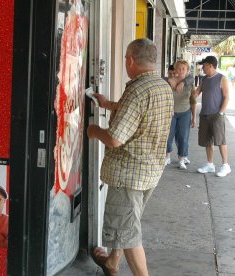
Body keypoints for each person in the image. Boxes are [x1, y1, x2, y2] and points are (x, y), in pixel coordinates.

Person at [87, 38, 173, 276]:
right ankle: (112, 263)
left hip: (129, 175)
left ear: (130, 60)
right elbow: (137, 112)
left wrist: (94, 131)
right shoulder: (161, 86)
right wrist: (108, 104)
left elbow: (115, 138)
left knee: (129, 232)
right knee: (127, 223)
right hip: (150, 172)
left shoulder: (136, 89)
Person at [194, 56, 231, 177]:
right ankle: (210, 165)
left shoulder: (222, 78)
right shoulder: (204, 79)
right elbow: (196, 93)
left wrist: (221, 113)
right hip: (205, 114)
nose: (202, 68)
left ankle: (225, 166)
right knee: (207, 141)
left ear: (210, 65)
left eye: (203, 65)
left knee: (220, 140)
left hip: (217, 115)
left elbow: (226, 97)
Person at [165, 60, 197, 169]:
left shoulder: (189, 82)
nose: (181, 70)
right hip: (171, 113)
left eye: (184, 68)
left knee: (183, 137)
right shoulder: (169, 81)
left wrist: (194, 117)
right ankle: (167, 157)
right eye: (179, 68)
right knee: (168, 136)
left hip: (185, 112)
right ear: (175, 69)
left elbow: (193, 101)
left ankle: (181, 159)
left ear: (187, 70)